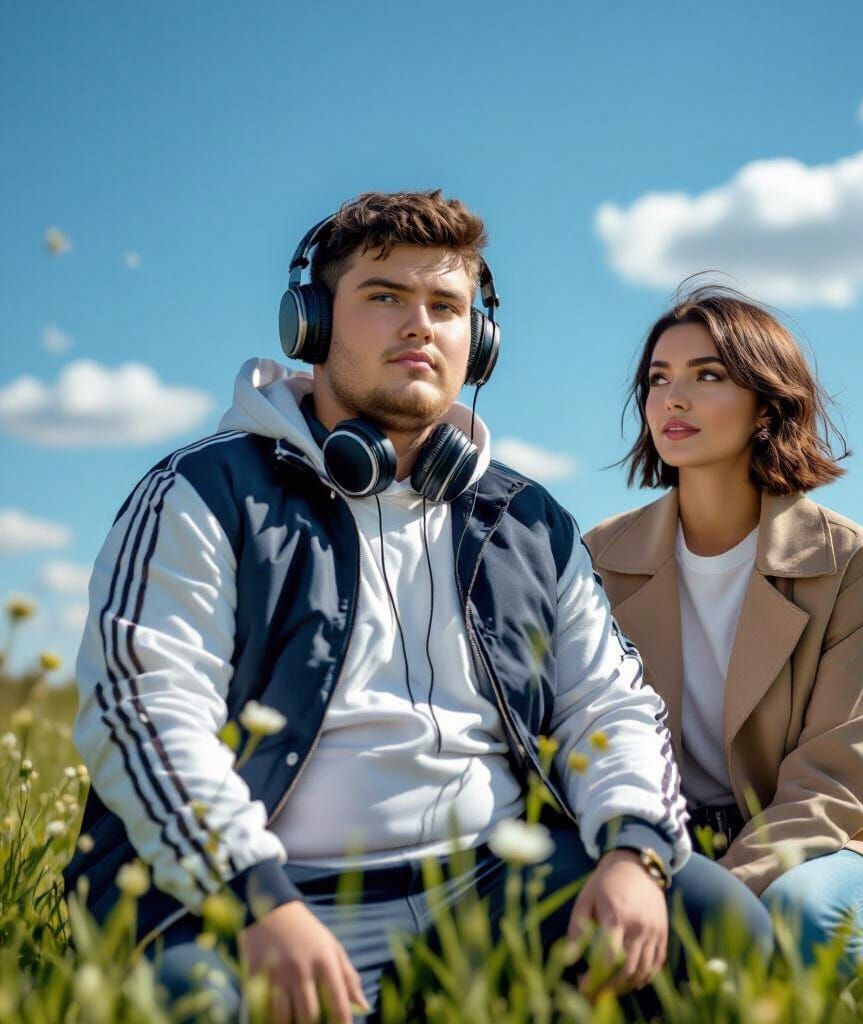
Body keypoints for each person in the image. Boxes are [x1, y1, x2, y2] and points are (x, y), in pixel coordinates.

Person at [63, 194, 772, 1023]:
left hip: (486, 886)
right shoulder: (201, 493)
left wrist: (635, 852)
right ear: (311, 324)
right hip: (250, 897)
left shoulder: (526, 520)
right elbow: (142, 712)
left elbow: (607, 705)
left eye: (445, 306)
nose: (419, 326)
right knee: (185, 1006)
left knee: (717, 921)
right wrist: (254, 895)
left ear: (480, 341)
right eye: (385, 296)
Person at [584, 283, 863, 972]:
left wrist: (720, 895)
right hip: (656, 843)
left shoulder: (850, 564)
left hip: (831, 845)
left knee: (797, 914)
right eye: (658, 379)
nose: (674, 398)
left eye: (708, 376)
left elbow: (837, 780)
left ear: (767, 404)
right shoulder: (596, 559)